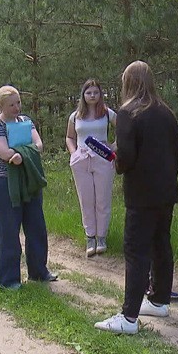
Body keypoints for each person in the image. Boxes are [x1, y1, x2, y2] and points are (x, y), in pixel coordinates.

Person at [94, 60, 178, 334]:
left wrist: (117, 161)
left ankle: (129, 317)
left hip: (141, 193)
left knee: (135, 250)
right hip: (166, 191)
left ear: (128, 82)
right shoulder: (166, 112)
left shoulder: (127, 112)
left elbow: (127, 157)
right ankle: (158, 300)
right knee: (160, 245)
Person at [0, 85, 57, 289]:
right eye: (11, 105)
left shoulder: (26, 121)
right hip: (6, 182)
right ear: (1, 106)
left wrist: (19, 153)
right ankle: (8, 280)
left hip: (30, 178)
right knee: (8, 231)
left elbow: (39, 145)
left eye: (18, 103)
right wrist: (18, 153)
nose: (17, 107)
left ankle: (39, 271)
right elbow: (4, 152)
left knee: (36, 227)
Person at [65, 79, 117, 257]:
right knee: (86, 199)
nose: (92, 95)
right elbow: (69, 137)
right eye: (89, 93)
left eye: (95, 92)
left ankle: (102, 237)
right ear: (83, 95)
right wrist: (73, 154)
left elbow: (125, 130)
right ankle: (90, 237)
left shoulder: (107, 113)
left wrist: (113, 147)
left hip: (103, 158)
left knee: (102, 198)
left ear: (100, 94)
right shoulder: (75, 116)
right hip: (81, 159)